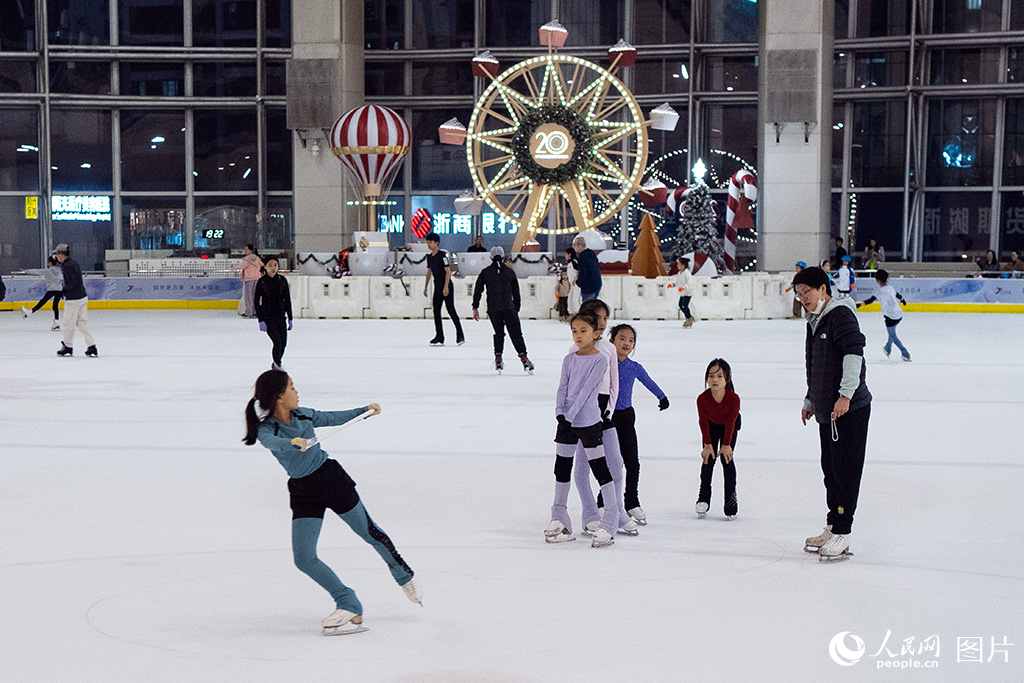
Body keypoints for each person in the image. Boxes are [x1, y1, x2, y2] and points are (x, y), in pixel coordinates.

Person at [243, 369, 420, 635]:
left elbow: (333, 417)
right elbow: (274, 443)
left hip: (331, 480)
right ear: (279, 396)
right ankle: (348, 601)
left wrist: (364, 411)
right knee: (304, 558)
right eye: (292, 387)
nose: (296, 391)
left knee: (369, 532)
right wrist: (293, 442)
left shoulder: (305, 414)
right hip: (303, 490)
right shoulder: (268, 429)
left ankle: (403, 573)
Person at [792, 266, 871, 563]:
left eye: (807, 293)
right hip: (827, 409)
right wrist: (810, 399)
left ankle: (843, 531)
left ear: (823, 289)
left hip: (848, 409)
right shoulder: (814, 320)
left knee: (846, 471)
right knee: (830, 469)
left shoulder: (840, 315)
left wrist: (846, 395)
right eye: (799, 295)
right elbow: (815, 365)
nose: (803, 299)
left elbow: (854, 354)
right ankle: (832, 524)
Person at [546, 312, 618, 549]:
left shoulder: (600, 360)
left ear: (596, 333)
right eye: (574, 331)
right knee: (561, 468)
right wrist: (559, 412)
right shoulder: (569, 359)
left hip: (587, 421)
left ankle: (610, 519)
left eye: (583, 331)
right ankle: (560, 516)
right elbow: (562, 387)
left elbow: (587, 391)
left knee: (600, 470)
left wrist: (569, 414)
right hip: (566, 421)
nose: (578, 335)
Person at [569, 299, 638, 537]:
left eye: (606, 319)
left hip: (605, 411)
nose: (602, 323)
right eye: (599, 318)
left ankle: (617, 511)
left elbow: (614, 383)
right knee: (582, 467)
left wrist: (609, 409)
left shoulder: (608, 349)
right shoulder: (574, 351)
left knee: (615, 465)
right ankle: (589, 513)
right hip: (582, 411)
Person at [599, 324, 669, 526]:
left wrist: (661, 397)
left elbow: (648, 381)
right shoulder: (605, 363)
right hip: (607, 417)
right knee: (612, 462)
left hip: (627, 417)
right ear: (611, 341)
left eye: (631, 340)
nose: (626, 343)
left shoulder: (634, 367)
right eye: (622, 338)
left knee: (632, 462)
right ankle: (603, 501)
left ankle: (631, 501)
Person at [471, 246, 534, 372]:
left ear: (490, 257)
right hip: (508, 307)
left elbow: (478, 289)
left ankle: (498, 359)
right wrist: (516, 308)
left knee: (499, 333)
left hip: (493, 308)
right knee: (516, 334)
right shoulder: (509, 272)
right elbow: (516, 292)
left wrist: (475, 307)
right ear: (503, 256)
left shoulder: (486, 272)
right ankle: (524, 358)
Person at [695, 359, 741, 520]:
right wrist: (707, 445)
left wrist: (727, 445)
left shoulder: (734, 399)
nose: (714, 380)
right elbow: (703, 421)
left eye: (719, 376)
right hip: (711, 426)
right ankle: (703, 498)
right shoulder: (702, 398)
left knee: (727, 460)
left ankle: (730, 499)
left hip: (729, 427)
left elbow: (730, 422)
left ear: (727, 379)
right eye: (711, 376)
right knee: (708, 460)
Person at [857, 269, 910, 361]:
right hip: (899, 314)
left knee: (893, 336)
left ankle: (905, 353)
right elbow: (898, 295)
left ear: (877, 281)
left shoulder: (880, 291)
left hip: (890, 317)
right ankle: (887, 348)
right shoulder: (891, 288)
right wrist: (903, 300)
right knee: (892, 332)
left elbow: (870, 300)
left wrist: (859, 305)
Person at [54, 243, 97, 357]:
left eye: (57, 254)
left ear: (62, 254)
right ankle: (91, 345)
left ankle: (67, 346)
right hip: (82, 296)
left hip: (73, 299)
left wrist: (64, 291)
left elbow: (71, 282)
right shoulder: (74, 263)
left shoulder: (66, 266)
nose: (56, 257)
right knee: (82, 323)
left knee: (68, 323)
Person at [423, 232, 465, 346]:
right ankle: (439, 336)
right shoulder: (429, 257)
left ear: (437, 243)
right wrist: (426, 286)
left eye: (431, 242)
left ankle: (460, 334)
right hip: (437, 286)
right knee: (436, 311)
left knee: (451, 310)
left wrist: (446, 287)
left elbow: (448, 272)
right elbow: (429, 272)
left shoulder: (443, 256)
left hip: (446, 286)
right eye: (427, 242)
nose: (429, 245)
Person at [254, 255, 293, 370]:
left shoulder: (282, 280)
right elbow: (257, 302)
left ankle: (277, 363)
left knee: (283, 343)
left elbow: (287, 299)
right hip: (268, 317)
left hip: (281, 316)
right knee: (277, 341)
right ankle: (277, 365)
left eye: (275, 265)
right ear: (265, 267)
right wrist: (261, 319)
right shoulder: (261, 282)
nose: (273, 268)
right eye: (270, 265)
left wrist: (290, 318)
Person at [21, 255, 64, 330]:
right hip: (59, 290)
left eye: (48, 262)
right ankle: (56, 323)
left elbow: (37, 271)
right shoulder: (59, 270)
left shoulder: (48, 271)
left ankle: (30, 311)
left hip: (51, 289)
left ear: (50, 263)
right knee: (55, 306)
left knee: (42, 302)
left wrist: (26, 271)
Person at [231, 244, 263, 318]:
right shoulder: (257, 258)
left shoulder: (246, 259)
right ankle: (256, 312)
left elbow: (241, 267)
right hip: (257, 278)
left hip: (249, 279)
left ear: (250, 250)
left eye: (246, 249)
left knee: (248, 297)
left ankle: (249, 312)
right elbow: (262, 265)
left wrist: (234, 266)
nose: (245, 251)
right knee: (255, 296)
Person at [573, 235, 602, 302]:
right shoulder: (591, 254)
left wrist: (578, 282)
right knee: (593, 305)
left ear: (578, 246)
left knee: (587, 307)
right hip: (597, 284)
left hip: (588, 286)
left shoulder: (582, 257)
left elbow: (583, 272)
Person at [675, 257, 695, 327]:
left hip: (688, 293)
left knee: (684, 306)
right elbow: (678, 282)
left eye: (679, 264)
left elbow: (690, 283)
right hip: (683, 293)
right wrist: (673, 285)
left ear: (683, 265)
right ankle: (689, 316)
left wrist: (683, 288)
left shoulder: (687, 273)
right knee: (680, 305)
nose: (677, 265)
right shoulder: (680, 273)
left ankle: (689, 319)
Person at [564, 248, 581, 316]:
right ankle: (571, 314)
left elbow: (579, 271)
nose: (565, 256)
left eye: (566, 254)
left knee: (575, 299)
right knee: (570, 299)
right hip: (571, 285)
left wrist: (576, 279)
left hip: (576, 284)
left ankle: (578, 314)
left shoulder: (575, 262)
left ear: (569, 254)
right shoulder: (570, 264)